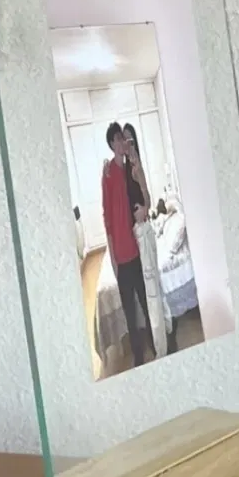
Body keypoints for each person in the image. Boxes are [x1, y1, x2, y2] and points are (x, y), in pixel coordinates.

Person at [101, 121, 151, 367]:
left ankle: (154, 342)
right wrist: (112, 257)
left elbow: (144, 195)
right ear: (112, 144)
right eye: (118, 139)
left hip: (137, 249)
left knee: (145, 300)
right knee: (129, 309)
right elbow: (107, 218)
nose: (122, 142)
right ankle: (138, 355)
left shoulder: (130, 167)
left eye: (124, 138)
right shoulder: (108, 174)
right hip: (121, 254)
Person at [122, 123, 173, 360]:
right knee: (149, 289)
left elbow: (149, 200)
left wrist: (144, 208)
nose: (127, 145)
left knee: (152, 290)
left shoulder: (136, 167)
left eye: (130, 140)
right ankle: (160, 335)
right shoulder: (124, 169)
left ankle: (162, 344)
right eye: (124, 141)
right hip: (135, 234)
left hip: (144, 231)